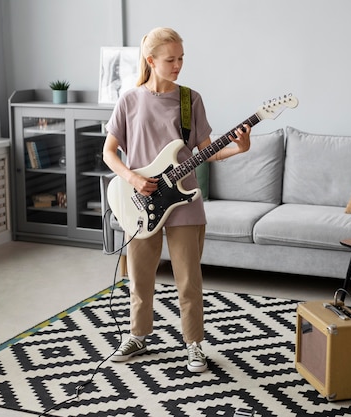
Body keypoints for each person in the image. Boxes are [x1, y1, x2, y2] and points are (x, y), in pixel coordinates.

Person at [102, 27, 251, 373]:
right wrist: (134, 178)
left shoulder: (190, 100)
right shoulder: (129, 100)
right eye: (171, 59)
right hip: (140, 202)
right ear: (151, 60)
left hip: (185, 203)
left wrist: (239, 148)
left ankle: (194, 344)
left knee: (189, 280)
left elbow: (207, 151)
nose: (178, 65)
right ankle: (138, 335)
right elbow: (109, 153)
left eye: (181, 58)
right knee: (140, 278)